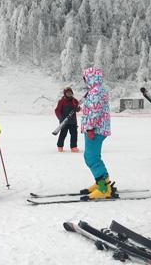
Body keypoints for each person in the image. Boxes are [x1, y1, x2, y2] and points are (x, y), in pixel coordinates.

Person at [81, 67, 112, 200]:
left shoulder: (95, 92)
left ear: (91, 78)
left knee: (91, 157)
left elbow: (95, 111)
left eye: (85, 78)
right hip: (98, 128)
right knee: (94, 157)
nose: (84, 81)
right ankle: (103, 182)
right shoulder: (97, 91)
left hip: (95, 129)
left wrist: (90, 128)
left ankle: (104, 188)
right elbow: (92, 108)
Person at [54, 87, 81, 152]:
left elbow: (77, 109)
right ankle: (60, 146)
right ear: (65, 94)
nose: (69, 94)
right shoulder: (61, 101)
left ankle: (73, 147)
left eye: (70, 93)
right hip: (64, 121)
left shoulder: (74, 100)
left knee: (74, 134)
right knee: (63, 134)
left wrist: (78, 108)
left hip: (73, 121)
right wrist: (60, 118)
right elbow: (57, 110)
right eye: (68, 93)